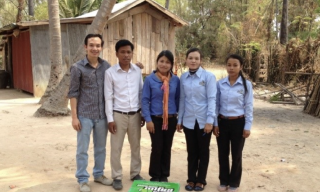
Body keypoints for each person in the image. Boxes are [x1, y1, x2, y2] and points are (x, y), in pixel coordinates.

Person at [68, 34, 113, 192]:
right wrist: (74, 117)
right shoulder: (77, 67)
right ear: (85, 47)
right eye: (92, 45)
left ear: (101, 47)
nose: (95, 48)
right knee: (82, 149)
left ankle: (99, 174)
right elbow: (73, 93)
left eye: (98, 45)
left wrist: (137, 67)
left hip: (102, 116)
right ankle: (82, 179)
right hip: (84, 115)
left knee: (100, 148)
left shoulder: (106, 66)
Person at [104, 39, 145, 191]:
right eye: (123, 52)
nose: (126, 55)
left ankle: (135, 173)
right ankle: (117, 177)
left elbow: (141, 92)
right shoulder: (110, 73)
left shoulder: (137, 71)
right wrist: (110, 119)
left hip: (135, 115)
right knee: (116, 147)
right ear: (117, 54)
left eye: (129, 52)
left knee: (136, 146)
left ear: (132, 53)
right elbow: (108, 97)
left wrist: (142, 114)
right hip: (118, 115)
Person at [176, 48, 217, 191]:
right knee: (191, 151)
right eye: (190, 58)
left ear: (201, 61)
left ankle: (201, 180)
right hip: (188, 121)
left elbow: (212, 99)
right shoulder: (183, 77)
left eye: (196, 58)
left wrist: (210, 121)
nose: (193, 61)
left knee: (203, 151)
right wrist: (179, 120)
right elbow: (182, 99)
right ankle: (191, 179)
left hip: (204, 121)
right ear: (186, 60)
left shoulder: (208, 77)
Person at [213, 54, 253, 192]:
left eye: (235, 65)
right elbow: (216, 105)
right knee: (222, 153)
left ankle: (234, 182)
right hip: (222, 122)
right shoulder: (220, 84)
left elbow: (248, 107)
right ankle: (223, 181)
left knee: (236, 154)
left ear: (241, 67)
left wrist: (247, 126)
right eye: (229, 65)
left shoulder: (246, 85)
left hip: (238, 123)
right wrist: (215, 124)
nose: (231, 68)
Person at [141, 50, 180, 182]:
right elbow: (145, 100)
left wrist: (179, 118)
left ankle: (164, 175)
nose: (164, 64)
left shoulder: (175, 80)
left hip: (171, 120)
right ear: (157, 62)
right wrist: (148, 120)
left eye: (167, 62)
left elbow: (178, 99)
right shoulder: (149, 79)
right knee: (157, 147)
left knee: (167, 147)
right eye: (161, 61)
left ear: (171, 64)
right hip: (155, 120)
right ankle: (155, 175)